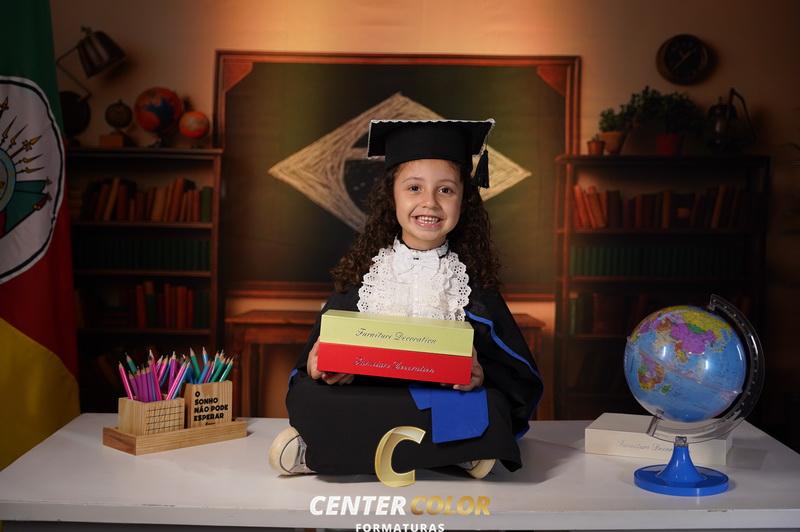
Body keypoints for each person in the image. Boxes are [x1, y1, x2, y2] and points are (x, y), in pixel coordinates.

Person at [268, 119, 543, 479]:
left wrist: (479, 375)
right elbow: (311, 364)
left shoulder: (470, 286)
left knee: (489, 403)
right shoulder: (365, 277)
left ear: (464, 201)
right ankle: (454, 452)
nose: (430, 202)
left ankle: (326, 452)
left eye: (446, 190)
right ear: (392, 197)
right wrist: (323, 367)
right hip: (367, 400)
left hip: (436, 402)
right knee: (309, 396)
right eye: (414, 187)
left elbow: (516, 378)